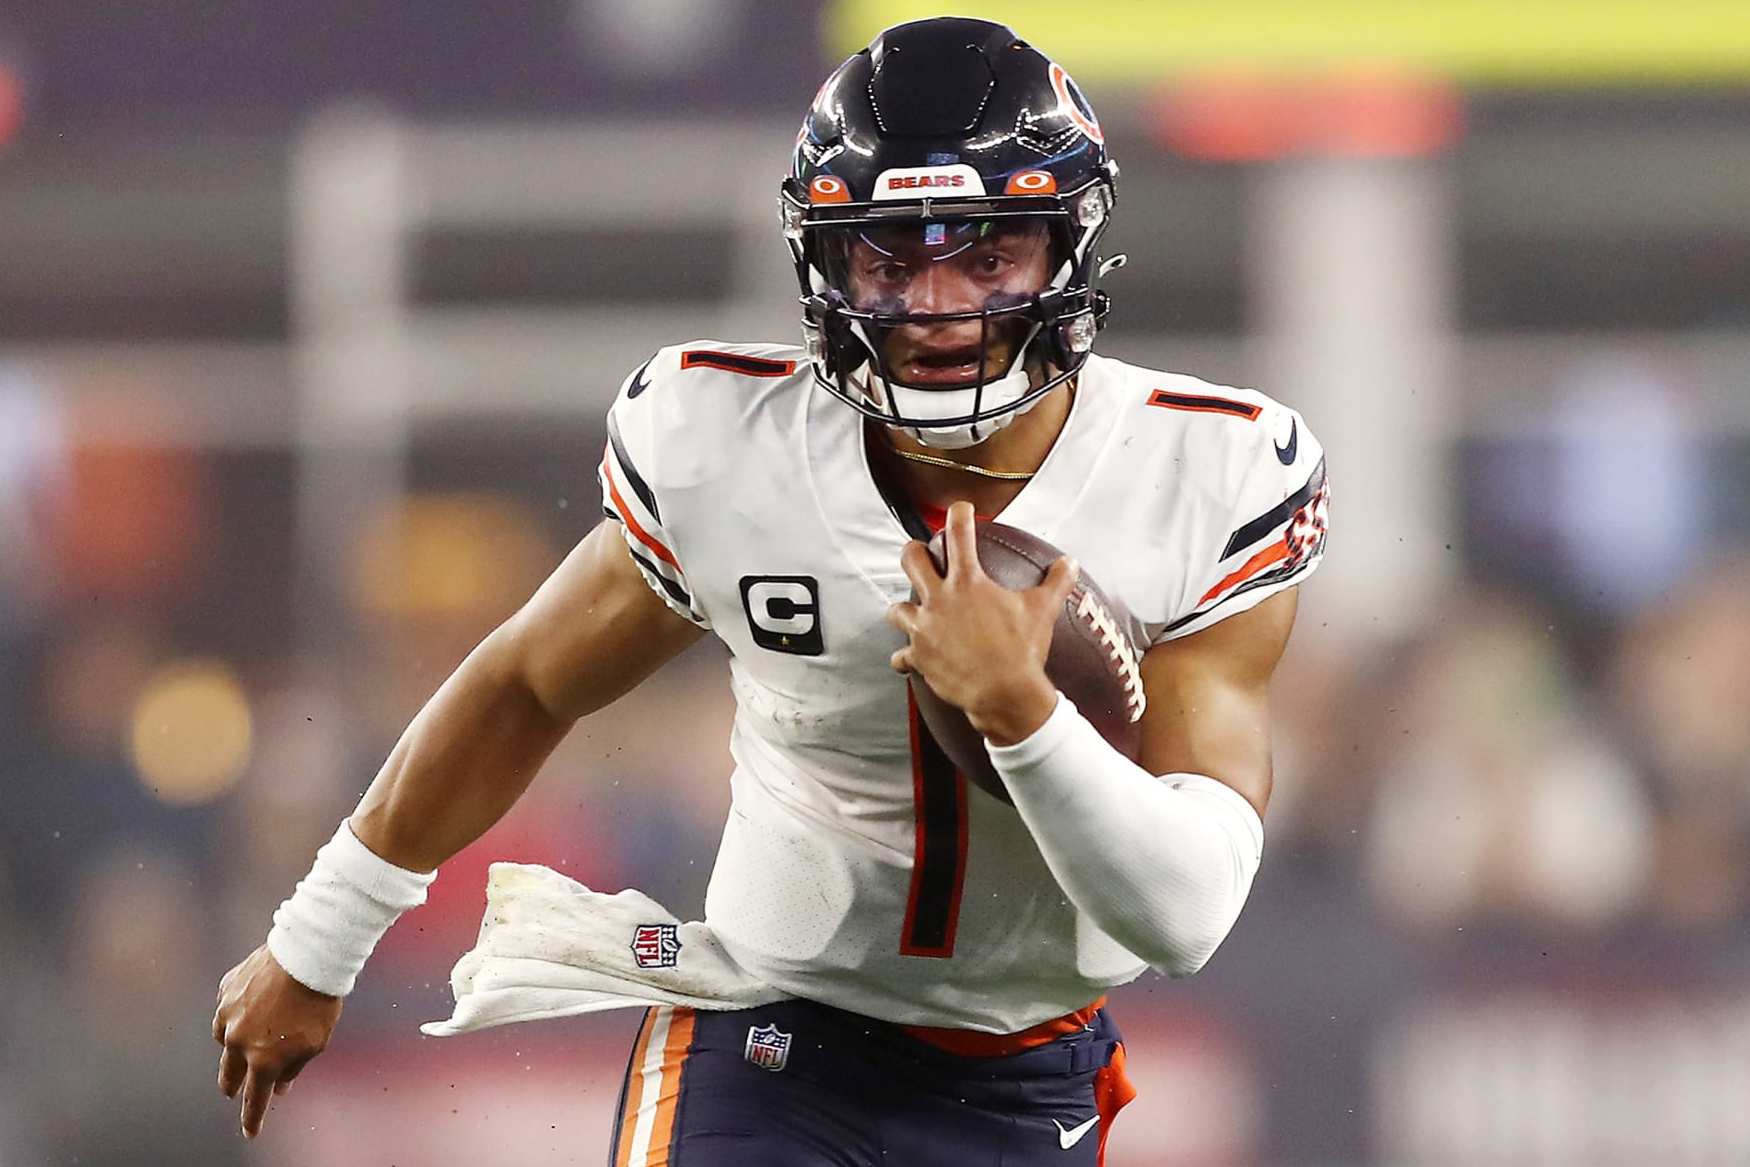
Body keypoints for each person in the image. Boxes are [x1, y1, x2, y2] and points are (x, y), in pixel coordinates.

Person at [213, 16, 1330, 1166]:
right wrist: (319, 938)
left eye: (986, 254)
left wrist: (1023, 713)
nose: (938, 303)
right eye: (891, 259)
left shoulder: (1211, 470)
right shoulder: (727, 445)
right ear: (826, 259)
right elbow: (526, 683)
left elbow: (1185, 917)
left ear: (1065, 246)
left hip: (1027, 1082)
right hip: (771, 1046)